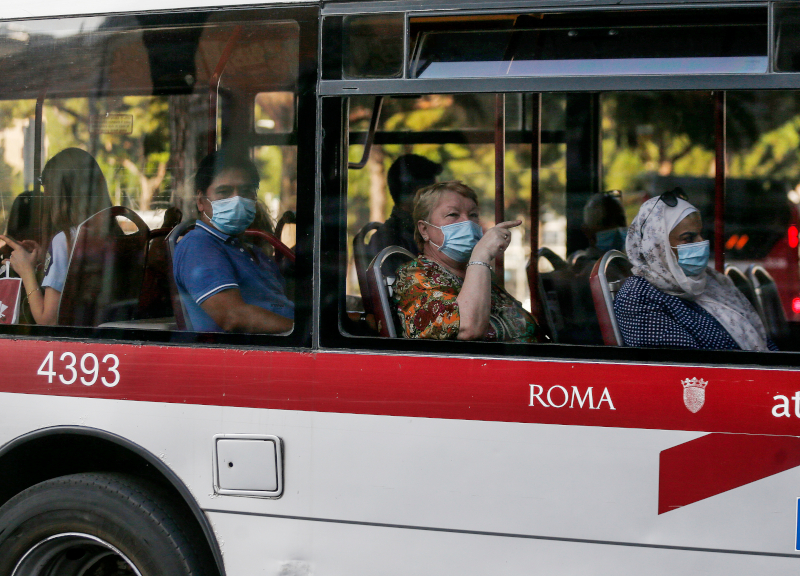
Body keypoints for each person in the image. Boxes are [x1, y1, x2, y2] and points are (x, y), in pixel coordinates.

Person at [615, 190, 776, 351]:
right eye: (688, 238)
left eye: (700, 235)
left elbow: (763, 341)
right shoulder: (639, 296)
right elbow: (683, 363)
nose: (702, 242)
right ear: (658, 245)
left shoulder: (711, 281)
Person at [392, 181, 538, 342]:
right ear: (424, 230)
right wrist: (481, 255)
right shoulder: (414, 277)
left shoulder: (477, 275)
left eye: (473, 215)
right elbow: (467, 328)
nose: (467, 222)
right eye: (453, 215)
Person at [173, 149, 293, 333]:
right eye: (224, 191)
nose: (237, 200)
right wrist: (303, 331)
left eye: (246, 192)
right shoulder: (199, 245)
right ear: (201, 201)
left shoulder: (250, 251)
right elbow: (233, 317)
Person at [0, 148, 112, 325]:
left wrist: (26, 272)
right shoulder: (107, 234)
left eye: (47, 189)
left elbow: (48, 320)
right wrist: (44, 261)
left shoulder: (65, 241)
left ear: (61, 195)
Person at [367, 154, 442, 259]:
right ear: (416, 195)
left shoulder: (415, 234)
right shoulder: (392, 240)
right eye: (434, 192)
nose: (439, 199)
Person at [570, 190, 628, 272]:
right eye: (607, 223)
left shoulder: (636, 261)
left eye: (621, 221)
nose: (617, 228)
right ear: (587, 231)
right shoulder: (581, 266)